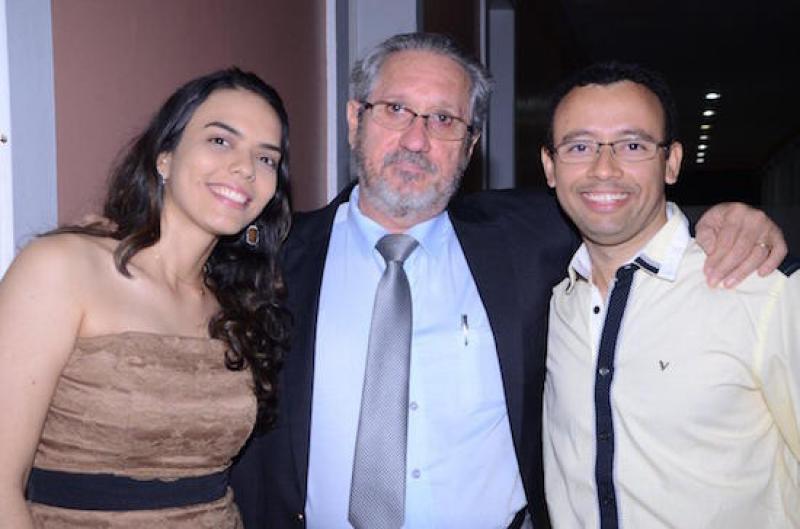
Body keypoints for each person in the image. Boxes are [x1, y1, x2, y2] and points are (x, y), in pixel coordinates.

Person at [230, 33, 787, 529]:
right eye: (396, 110)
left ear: (471, 145)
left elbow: (624, 211)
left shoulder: (530, 239)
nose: (417, 139)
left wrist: (733, 219)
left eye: (445, 120)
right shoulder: (269, 259)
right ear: (355, 119)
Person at [0, 67, 292, 528]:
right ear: (165, 157)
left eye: (266, 158)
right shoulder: (62, 268)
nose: (245, 168)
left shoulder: (239, 304)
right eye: (220, 140)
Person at [541, 62, 799, 528]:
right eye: (580, 146)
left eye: (632, 145)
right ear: (549, 166)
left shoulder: (764, 290)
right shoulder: (556, 299)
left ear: (672, 161)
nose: (604, 169)